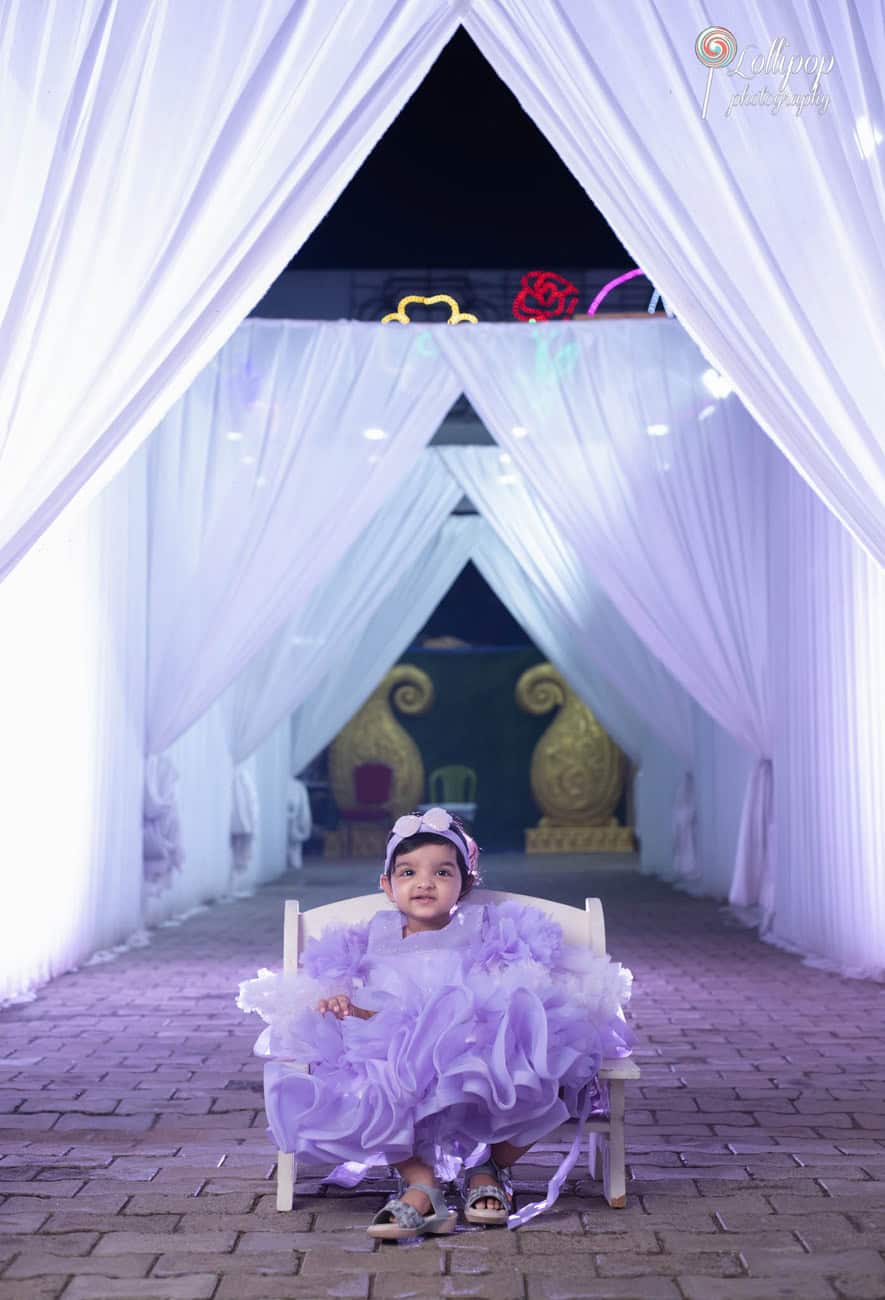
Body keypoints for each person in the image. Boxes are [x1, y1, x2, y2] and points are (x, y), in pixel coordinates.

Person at [237, 807, 633, 1238]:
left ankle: (489, 1167)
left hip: (467, 1043)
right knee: (361, 1089)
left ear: (466, 885)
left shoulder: (484, 931)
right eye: (408, 872)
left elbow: (503, 990)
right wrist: (344, 1005)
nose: (424, 882)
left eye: (443, 873)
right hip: (391, 1047)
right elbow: (372, 1007)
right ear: (387, 885)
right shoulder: (371, 938)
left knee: (538, 1072)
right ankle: (420, 1180)